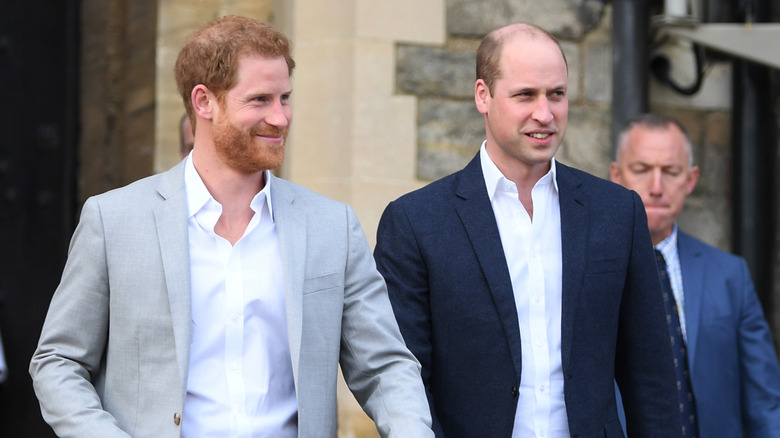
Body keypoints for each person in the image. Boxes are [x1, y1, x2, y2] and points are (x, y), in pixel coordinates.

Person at [29, 15, 433, 438]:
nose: (280, 118)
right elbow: (58, 362)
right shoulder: (113, 220)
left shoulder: (332, 226)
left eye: (285, 98)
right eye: (259, 100)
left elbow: (385, 366)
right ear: (204, 102)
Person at [374, 22, 680, 438]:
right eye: (525, 95)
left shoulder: (616, 211)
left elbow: (652, 374)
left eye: (556, 94)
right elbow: (404, 380)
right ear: (483, 95)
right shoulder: (416, 222)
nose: (545, 113)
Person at [610, 113, 780, 438]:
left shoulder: (731, 276)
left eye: (670, 172)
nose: (656, 187)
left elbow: (766, 404)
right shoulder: (587, 270)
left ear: (691, 179)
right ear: (616, 175)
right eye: (642, 170)